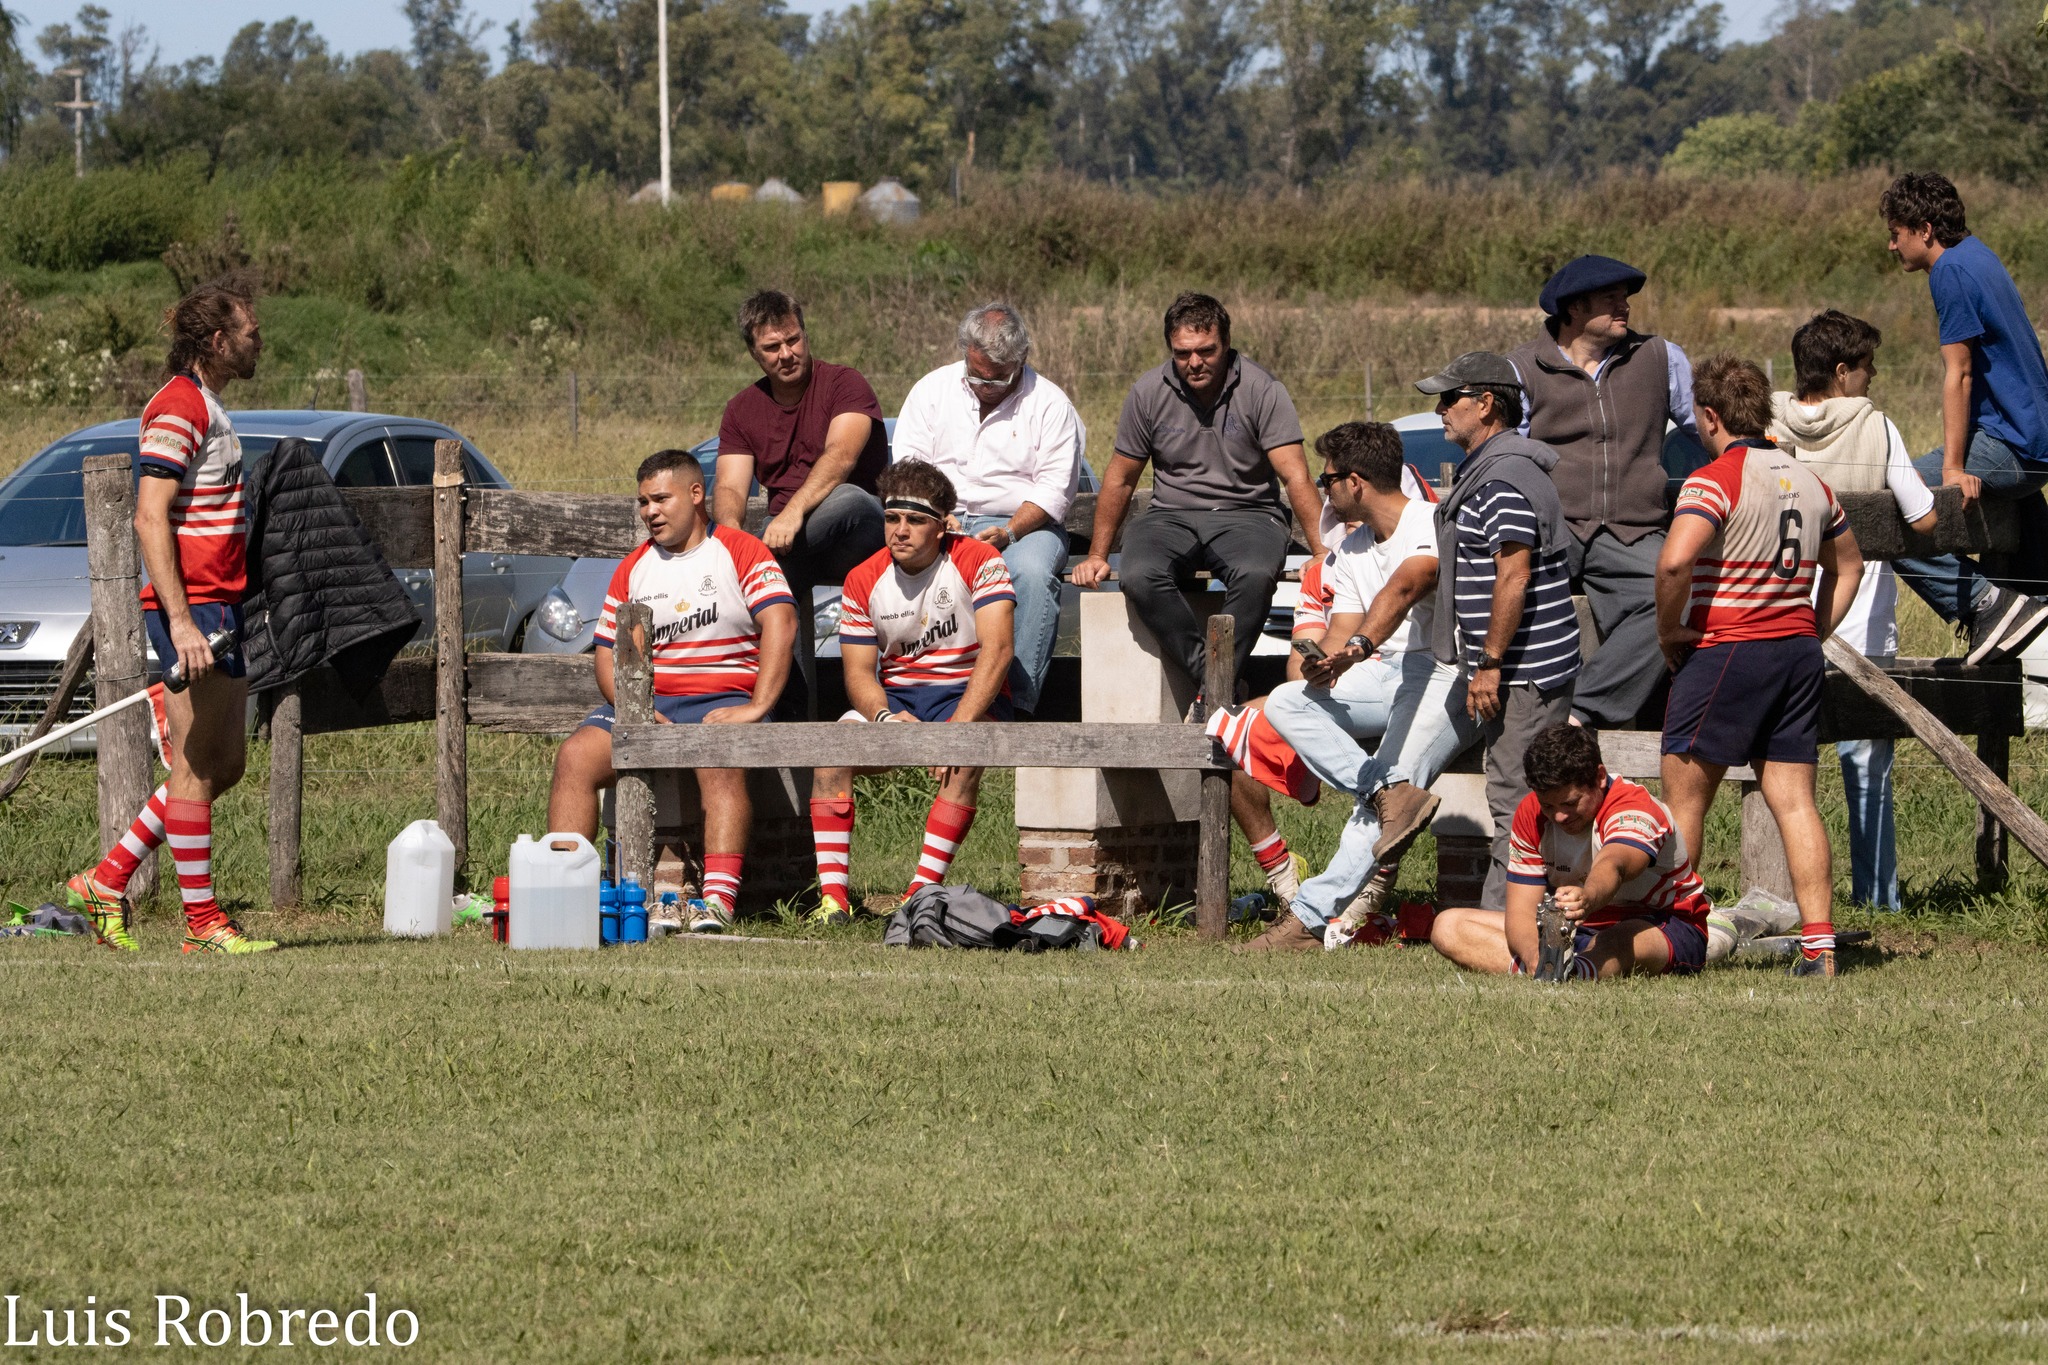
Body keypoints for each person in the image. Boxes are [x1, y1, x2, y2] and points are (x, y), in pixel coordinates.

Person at [65, 284, 275, 953]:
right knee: (195, 766)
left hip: (222, 603)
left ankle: (106, 878)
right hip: (192, 608)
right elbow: (149, 516)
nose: (259, 340)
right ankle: (202, 923)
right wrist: (181, 623)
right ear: (218, 341)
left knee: (225, 763)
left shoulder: (208, 404)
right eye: (250, 331)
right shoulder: (179, 405)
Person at [1657, 355, 1864, 980]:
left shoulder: (1712, 480)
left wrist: (1670, 629)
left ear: (1710, 416)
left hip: (1727, 648)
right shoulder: (1811, 481)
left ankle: (1676, 937)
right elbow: (1850, 564)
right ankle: (1820, 947)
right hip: (1796, 653)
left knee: (1685, 799)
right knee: (1796, 802)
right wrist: (1812, 628)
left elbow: (1675, 562)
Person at [1248, 422, 1479, 951]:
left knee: (1383, 797)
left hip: (1449, 674)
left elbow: (1407, 585)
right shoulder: (1351, 548)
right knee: (1285, 701)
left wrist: (1357, 648)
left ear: (1355, 482)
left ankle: (1309, 920)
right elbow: (1342, 630)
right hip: (1383, 671)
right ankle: (1385, 791)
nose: (1322, 490)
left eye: (1327, 479)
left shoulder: (1430, 520)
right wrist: (1326, 664)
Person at [545, 450, 797, 934]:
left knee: (717, 758)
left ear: (696, 494)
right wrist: (633, 708)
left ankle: (717, 902)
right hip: (651, 704)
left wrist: (758, 706)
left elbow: (781, 623)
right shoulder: (634, 567)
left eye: (661, 499)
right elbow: (607, 654)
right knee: (575, 756)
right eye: (643, 502)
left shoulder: (740, 551)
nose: (650, 512)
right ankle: (563, 893)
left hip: (724, 700)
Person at [1071, 293, 1322, 712]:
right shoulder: (1148, 391)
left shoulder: (1263, 389)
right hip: (1170, 515)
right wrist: (1097, 554)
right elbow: (1120, 478)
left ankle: (1212, 693)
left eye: (1206, 351)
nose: (1195, 362)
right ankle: (1215, 683)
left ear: (1226, 345)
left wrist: (1321, 551)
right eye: (1183, 353)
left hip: (1248, 513)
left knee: (1255, 574)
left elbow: (1295, 475)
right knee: (1138, 573)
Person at [1770, 310, 1938, 911]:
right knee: (1867, 769)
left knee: (1783, 770)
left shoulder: (1769, 423)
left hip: (1781, 620)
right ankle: (1876, 896)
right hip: (1860, 624)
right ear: (1842, 372)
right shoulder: (1877, 427)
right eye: (1867, 367)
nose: (1873, 377)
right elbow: (1923, 516)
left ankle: (1783, 896)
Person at [808, 460, 1017, 923]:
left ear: (943, 526)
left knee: (963, 755)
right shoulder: (862, 578)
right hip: (898, 699)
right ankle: (833, 903)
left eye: (915, 520)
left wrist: (958, 728)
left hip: (966, 693)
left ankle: (918, 896)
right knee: (830, 752)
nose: (900, 530)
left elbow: (999, 650)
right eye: (891, 518)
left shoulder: (980, 560)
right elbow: (859, 674)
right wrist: (883, 718)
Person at [1419, 353, 1581, 912]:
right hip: (1523, 669)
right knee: (1524, 797)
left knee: (1517, 801)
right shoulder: (1500, 468)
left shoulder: (1502, 479)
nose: (1440, 410)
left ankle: (1501, 928)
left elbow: (1513, 575)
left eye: (1449, 399)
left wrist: (1489, 663)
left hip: (1520, 673)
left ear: (1486, 404)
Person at [1508, 255, 1697, 730]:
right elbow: (1508, 455)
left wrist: (1751, 464)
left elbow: (1710, 427)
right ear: (1573, 308)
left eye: (1625, 297)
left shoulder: (1660, 357)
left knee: (1677, 594)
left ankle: (1577, 715)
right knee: (1503, 599)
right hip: (1551, 530)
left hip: (1634, 529)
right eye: (1610, 298)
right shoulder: (1521, 368)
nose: (1624, 306)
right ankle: (1502, 729)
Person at [1881, 172, 2048, 665]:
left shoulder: (1949, 271)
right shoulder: (1979, 255)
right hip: (2034, 442)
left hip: (2012, 444)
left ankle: (1986, 604)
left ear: (1925, 229)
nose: (1892, 245)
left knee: (1888, 503)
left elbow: (1960, 372)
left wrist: (1953, 467)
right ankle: (2028, 594)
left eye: (1896, 233)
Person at [892, 302, 1083, 716]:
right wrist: (935, 514)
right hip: (940, 515)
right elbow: (908, 463)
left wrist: (1010, 532)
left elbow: (1054, 489)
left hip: (1024, 525)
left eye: (997, 378)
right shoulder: (932, 390)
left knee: (1032, 573)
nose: (984, 386)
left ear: (1022, 360)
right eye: (976, 374)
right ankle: (910, 698)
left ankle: (1015, 707)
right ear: (965, 352)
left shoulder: (1051, 404)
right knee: (897, 562)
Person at [1429, 724, 1714, 981]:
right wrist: (1534, 955)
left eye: (1570, 803)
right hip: (1573, 930)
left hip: (1665, 923)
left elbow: (1615, 864)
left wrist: (1588, 896)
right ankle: (1550, 970)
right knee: (1447, 926)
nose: (1559, 816)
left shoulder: (1633, 806)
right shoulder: (1530, 813)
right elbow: (1520, 914)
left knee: (1616, 940)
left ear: (1599, 777)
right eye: (1548, 806)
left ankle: (1574, 973)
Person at [713, 289, 889, 700]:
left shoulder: (844, 383)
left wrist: (791, 515)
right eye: (772, 347)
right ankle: (789, 711)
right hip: (790, 547)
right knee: (775, 581)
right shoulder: (741, 409)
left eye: (793, 340)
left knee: (846, 498)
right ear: (754, 353)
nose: (787, 354)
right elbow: (729, 486)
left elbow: (841, 456)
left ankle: (760, 566)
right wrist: (733, 539)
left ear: (806, 335)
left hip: (860, 533)